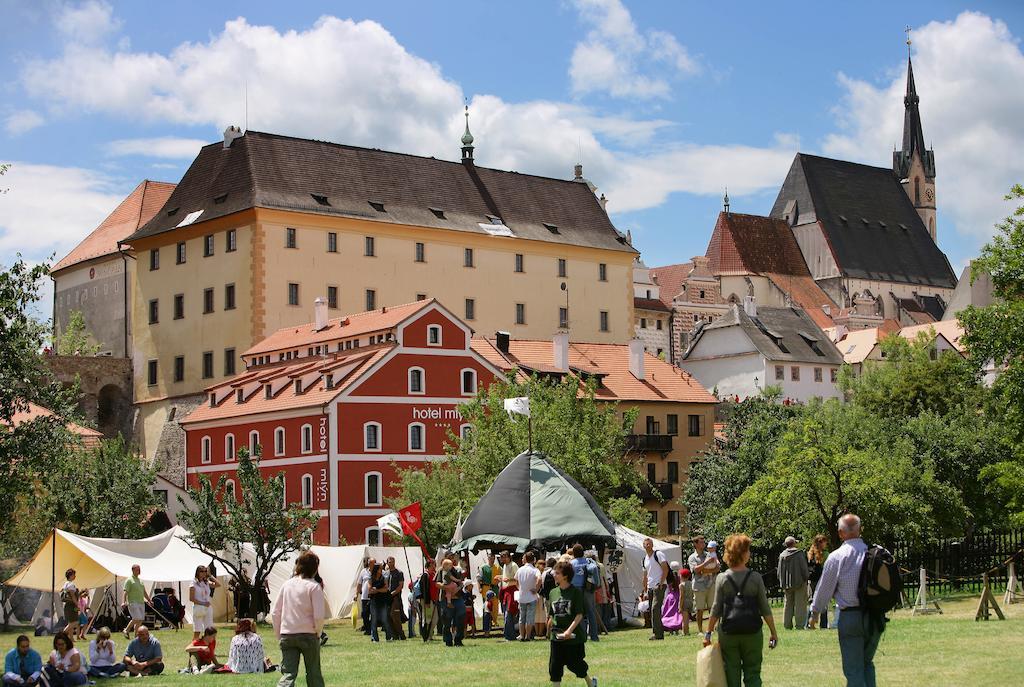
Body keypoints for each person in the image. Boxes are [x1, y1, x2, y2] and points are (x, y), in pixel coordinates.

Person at [809, 514, 881, 687]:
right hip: (875, 617)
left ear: (841, 533)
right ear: (860, 529)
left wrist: (815, 613)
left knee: (854, 669)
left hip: (851, 617)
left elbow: (824, 589)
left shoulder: (837, 557)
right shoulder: (876, 552)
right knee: (866, 664)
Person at [703, 534, 779, 687]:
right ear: (744, 554)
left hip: (728, 632)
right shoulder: (756, 578)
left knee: (731, 672)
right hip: (753, 632)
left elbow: (716, 609)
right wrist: (773, 632)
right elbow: (765, 607)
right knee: (753, 673)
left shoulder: (722, 578)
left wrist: (708, 633)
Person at [272, 550, 326, 687]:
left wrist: (279, 635)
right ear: (314, 568)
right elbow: (319, 616)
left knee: (288, 674)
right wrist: (318, 633)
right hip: (308, 634)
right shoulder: (314, 587)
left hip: (287, 634)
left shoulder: (287, 584)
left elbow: (275, 613)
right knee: (314, 673)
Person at [546, 561, 597, 687]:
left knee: (575, 664)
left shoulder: (575, 592)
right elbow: (552, 615)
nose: (554, 575)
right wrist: (548, 629)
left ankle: (591, 683)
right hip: (556, 635)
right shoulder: (553, 592)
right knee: (555, 665)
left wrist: (569, 631)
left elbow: (579, 614)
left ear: (565, 576)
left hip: (573, 636)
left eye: (557, 573)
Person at [777, 536, 810, 631]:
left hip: (787, 584)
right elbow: (804, 569)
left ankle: (787, 625)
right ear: (794, 543)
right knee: (800, 605)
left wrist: (782, 583)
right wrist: (806, 577)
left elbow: (779, 572)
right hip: (800, 582)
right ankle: (799, 625)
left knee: (788, 604)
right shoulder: (799, 554)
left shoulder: (782, 555)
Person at [688, 535, 719, 634]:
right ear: (695, 544)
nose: (704, 544)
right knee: (699, 609)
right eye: (701, 542)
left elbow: (717, 568)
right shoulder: (692, 557)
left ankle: (711, 629)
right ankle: (700, 631)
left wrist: (704, 570)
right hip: (699, 586)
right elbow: (696, 570)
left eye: (703, 542)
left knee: (712, 608)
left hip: (710, 584)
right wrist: (707, 564)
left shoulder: (709, 554)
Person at [568, 545, 599, 642]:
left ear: (574, 553)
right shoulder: (589, 561)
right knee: (591, 612)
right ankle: (594, 636)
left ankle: (582, 635)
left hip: (576, 590)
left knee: (579, 613)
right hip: (588, 589)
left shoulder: (571, 563)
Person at [641, 537, 669, 641]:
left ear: (652, 545)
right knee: (652, 611)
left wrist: (661, 583)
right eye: (645, 544)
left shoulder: (658, 554)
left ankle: (659, 634)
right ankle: (656, 633)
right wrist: (644, 590)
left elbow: (665, 568)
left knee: (655, 609)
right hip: (650, 587)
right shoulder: (644, 559)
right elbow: (644, 576)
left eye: (648, 544)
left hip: (658, 585)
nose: (647, 546)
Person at [516, 552, 542, 641]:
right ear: (533, 560)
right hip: (531, 596)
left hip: (522, 596)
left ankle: (522, 635)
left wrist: (520, 588)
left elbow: (516, 581)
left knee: (521, 617)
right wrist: (536, 589)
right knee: (529, 618)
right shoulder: (535, 570)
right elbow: (539, 579)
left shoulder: (520, 569)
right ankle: (527, 636)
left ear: (525, 559)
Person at [189, 565, 218, 641]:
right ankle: (194, 648)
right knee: (197, 629)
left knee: (209, 629)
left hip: (207, 608)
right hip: (198, 608)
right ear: (197, 572)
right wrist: (203, 603)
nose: (204, 573)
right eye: (202, 571)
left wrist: (210, 576)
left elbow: (218, 585)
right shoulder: (193, 582)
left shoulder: (206, 582)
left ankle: (208, 648)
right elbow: (191, 598)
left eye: (205, 571)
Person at [806, 535, 830, 629]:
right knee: (823, 602)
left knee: (812, 602)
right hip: (822, 580)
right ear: (821, 543)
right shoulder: (825, 554)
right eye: (825, 542)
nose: (826, 544)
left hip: (812, 580)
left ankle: (808, 623)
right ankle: (823, 624)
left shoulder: (810, 554)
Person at [123, 565, 152, 639]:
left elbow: (144, 592)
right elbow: (125, 592)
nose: (139, 571)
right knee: (136, 618)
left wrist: (149, 600)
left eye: (139, 569)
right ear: (133, 570)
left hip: (141, 602)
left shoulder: (140, 581)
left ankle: (136, 636)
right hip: (133, 602)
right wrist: (124, 602)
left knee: (140, 619)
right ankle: (126, 630)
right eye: (137, 569)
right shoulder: (129, 580)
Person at [367, 564, 392, 642]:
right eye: (380, 569)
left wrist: (377, 590)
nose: (381, 570)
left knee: (384, 620)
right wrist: (379, 589)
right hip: (374, 602)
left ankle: (389, 637)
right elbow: (370, 590)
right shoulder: (370, 579)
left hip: (383, 602)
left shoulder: (383, 578)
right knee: (374, 620)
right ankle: (374, 638)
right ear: (376, 570)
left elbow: (386, 589)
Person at [477, 553, 500, 636]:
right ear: (488, 558)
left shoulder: (497, 567)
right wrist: (479, 587)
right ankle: (486, 630)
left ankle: (493, 623)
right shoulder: (483, 567)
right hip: (486, 589)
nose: (492, 559)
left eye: (493, 558)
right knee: (487, 610)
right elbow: (479, 578)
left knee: (495, 609)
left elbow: (502, 576)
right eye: (490, 558)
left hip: (495, 589)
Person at [498, 551, 519, 641]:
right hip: (505, 591)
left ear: (508, 557)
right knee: (507, 614)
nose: (502, 559)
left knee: (509, 614)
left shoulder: (513, 565)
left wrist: (509, 579)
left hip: (512, 591)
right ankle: (509, 635)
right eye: (501, 557)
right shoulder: (505, 566)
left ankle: (509, 636)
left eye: (504, 557)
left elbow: (518, 577)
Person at [385, 557, 406, 640]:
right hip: (387, 597)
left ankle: (401, 635)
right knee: (388, 616)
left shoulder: (399, 573)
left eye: (392, 562)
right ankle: (394, 635)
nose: (391, 563)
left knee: (395, 617)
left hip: (395, 597)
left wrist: (392, 593)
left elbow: (400, 586)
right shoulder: (386, 573)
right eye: (389, 562)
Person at [662, 562, 683, 635]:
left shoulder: (669, 577)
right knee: (676, 613)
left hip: (670, 596)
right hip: (678, 595)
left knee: (669, 613)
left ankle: (670, 628)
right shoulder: (680, 577)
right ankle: (676, 628)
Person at [355, 557, 374, 636]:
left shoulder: (377, 571)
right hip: (364, 597)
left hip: (373, 596)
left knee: (373, 614)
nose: (368, 563)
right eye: (368, 562)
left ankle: (372, 629)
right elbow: (359, 584)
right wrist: (356, 594)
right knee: (364, 614)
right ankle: (367, 629)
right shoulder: (363, 572)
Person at [60, 570, 79, 639]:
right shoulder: (71, 584)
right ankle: (62, 635)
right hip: (71, 606)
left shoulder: (65, 584)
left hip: (67, 605)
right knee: (75, 622)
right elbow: (73, 596)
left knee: (70, 623)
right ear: (70, 575)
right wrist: (77, 604)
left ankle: (71, 639)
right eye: (74, 574)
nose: (75, 576)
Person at [534, 558, 548, 639]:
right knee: (541, 614)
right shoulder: (543, 574)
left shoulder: (535, 572)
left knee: (537, 614)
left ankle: (538, 633)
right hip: (541, 595)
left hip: (535, 595)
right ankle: (539, 633)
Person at [679, 568, 693, 636]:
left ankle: (685, 632)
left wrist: (680, 606)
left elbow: (681, 597)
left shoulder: (681, 585)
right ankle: (687, 631)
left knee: (684, 619)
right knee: (688, 618)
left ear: (681, 576)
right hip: (691, 601)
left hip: (685, 602)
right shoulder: (691, 583)